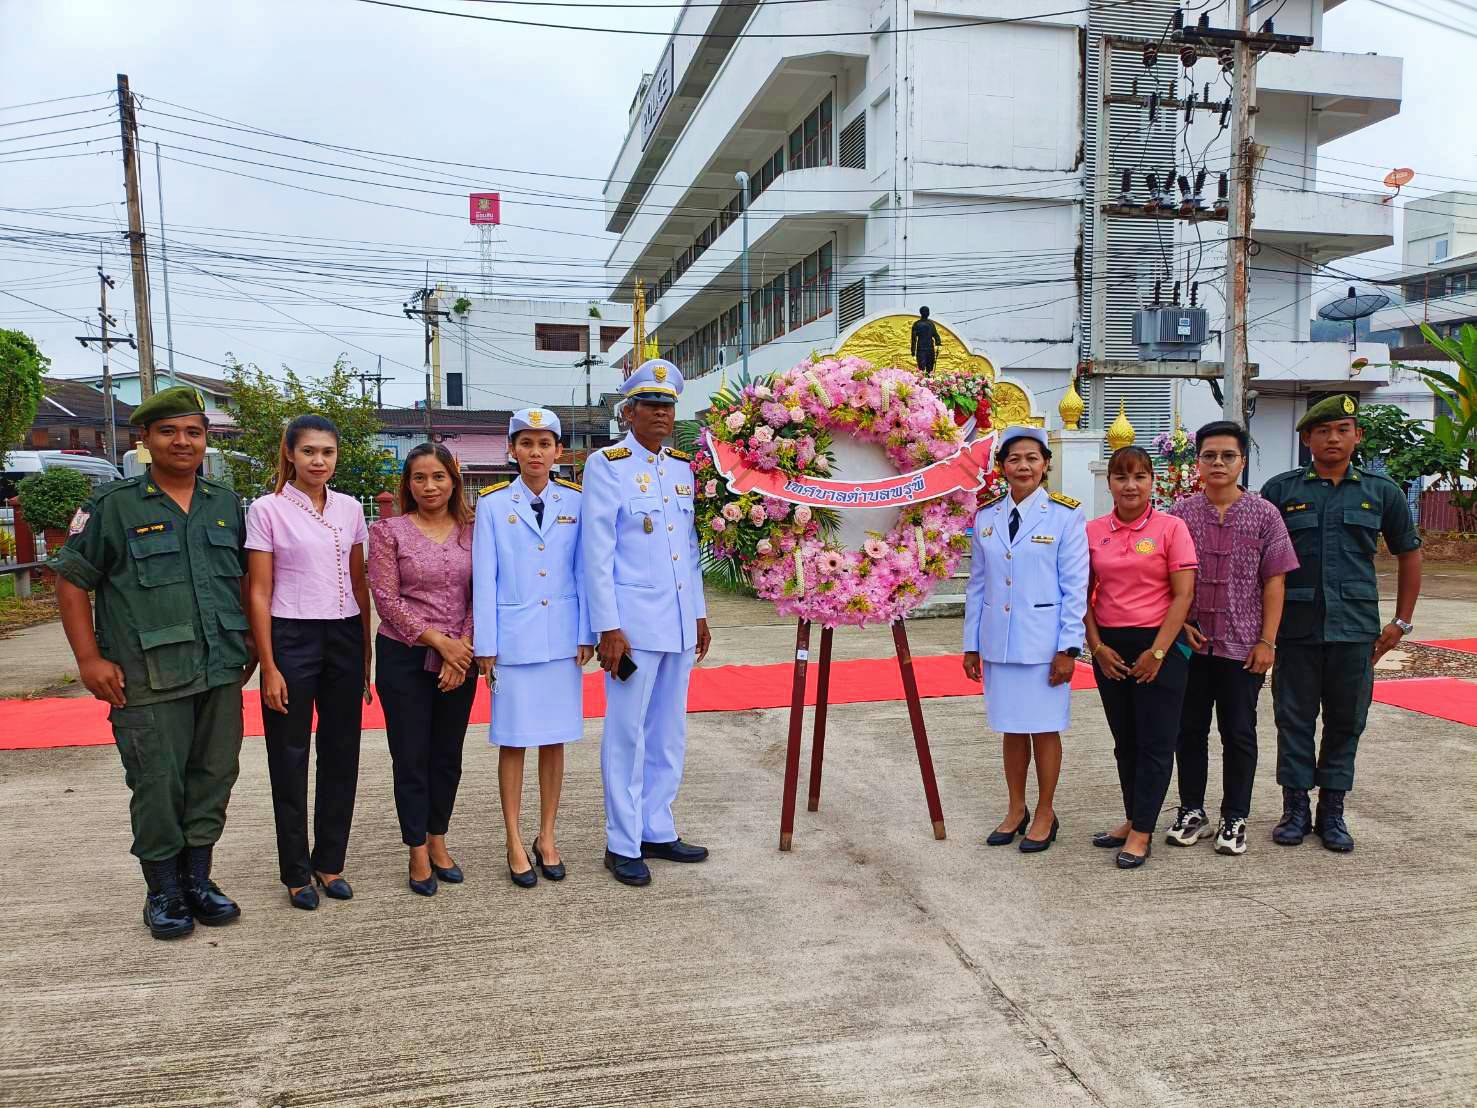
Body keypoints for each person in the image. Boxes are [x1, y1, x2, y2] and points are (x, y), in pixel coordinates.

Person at [53, 386, 254, 940]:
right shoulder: (114, 506)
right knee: (157, 783)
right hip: (146, 675)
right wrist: (89, 659)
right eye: (168, 431)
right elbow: (71, 580)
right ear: (145, 440)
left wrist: (251, 646)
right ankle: (163, 891)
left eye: (192, 431)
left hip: (219, 668)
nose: (182, 441)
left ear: (206, 440)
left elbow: (240, 580)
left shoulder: (222, 503)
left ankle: (198, 882)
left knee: (214, 777)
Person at [1259, 394, 1422, 852]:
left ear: (1358, 436)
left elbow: (1409, 553)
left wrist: (1401, 621)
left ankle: (1332, 811)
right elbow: (1260, 563)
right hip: (1296, 629)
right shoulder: (1281, 491)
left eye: (1343, 429)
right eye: (1323, 430)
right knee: (1293, 720)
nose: (1333, 438)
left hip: (1356, 631)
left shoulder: (1380, 491)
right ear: (1306, 437)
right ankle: (1294, 810)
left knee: (1346, 722)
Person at [582, 359, 712, 887]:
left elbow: (688, 545)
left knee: (668, 732)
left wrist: (699, 612)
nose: (661, 414)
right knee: (627, 734)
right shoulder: (607, 465)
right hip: (633, 628)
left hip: (679, 623)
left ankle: (658, 826)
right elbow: (597, 552)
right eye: (651, 405)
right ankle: (622, 840)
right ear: (629, 412)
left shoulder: (682, 467)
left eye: (668, 406)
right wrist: (607, 627)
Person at [245, 414, 372, 910]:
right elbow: (258, 591)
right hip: (291, 634)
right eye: (309, 452)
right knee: (290, 755)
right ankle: (296, 871)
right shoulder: (267, 510)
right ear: (290, 455)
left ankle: (330, 862)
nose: (318, 461)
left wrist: (366, 653)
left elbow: (358, 583)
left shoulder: (350, 508)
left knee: (342, 753)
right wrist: (269, 665)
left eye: (327, 452)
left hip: (344, 634)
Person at [472, 408, 594, 888]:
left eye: (545, 443)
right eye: (526, 443)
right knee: (513, 740)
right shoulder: (493, 504)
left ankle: (547, 835)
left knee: (554, 737)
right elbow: (485, 577)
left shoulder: (577, 501)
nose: (536, 452)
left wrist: (587, 631)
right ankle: (513, 838)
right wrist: (487, 644)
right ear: (512, 450)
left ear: (559, 451)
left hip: (562, 637)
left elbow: (585, 571)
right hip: (515, 640)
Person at [1166, 421, 1299, 856]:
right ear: (1198, 461)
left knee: (1238, 732)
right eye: (1209, 455)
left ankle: (1235, 816)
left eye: (1227, 456)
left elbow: (1274, 582)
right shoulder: (1180, 514)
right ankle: (1191, 810)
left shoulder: (1265, 514)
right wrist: (1178, 625)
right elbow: (1166, 580)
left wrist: (1268, 641)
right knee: (1189, 730)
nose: (1218, 463)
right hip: (1190, 644)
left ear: (1242, 461)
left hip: (1244, 646)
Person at [962, 427, 1088, 854]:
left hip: (1044, 646)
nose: (1024, 466)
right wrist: (971, 644)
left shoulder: (1065, 515)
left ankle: (1046, 812)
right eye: (1015, 459)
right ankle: (1016, 808)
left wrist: (1069, 649)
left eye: (1032, 458)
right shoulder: (985, 517)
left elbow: (1076, 588)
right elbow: (977, 586)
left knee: (1044, 729)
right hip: (999, 643)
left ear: (1046, 464)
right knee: (1011, 729)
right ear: (1002, 467)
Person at [368, 444, 477, 897]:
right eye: (419, 478)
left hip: (462, 655)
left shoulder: (473, 531)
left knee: (446, 756)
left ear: (453, 481)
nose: (429, 486)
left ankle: (438, 839)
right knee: (410, 756)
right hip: (406, 656)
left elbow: (484, 592)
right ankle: (415, 847)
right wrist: (440, 645)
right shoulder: (388, 531)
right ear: (407, 484)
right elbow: (386, 601)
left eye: (438, 477)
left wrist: (463, 649)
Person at [1084, 445, 1198, 869]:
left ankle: (1142, 831)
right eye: (1121, 477)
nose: (1130, 486)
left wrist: (1159, 651)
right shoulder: (1093, 531)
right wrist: (1096, 648)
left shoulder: (1171, 528)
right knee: (1125, 740)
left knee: (1155, 741)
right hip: (1110, 646)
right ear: (1110, 482)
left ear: (1153, 481)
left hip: (1161, 644)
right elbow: (1083, 595)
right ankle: (1133, 815)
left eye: (1139, 477)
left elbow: (1183, 594)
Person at [910, 306, 942, 372]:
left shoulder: (931, 324)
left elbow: (935, 334)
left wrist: (938, 342)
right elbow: (913, 339)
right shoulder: (917, 324)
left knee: (930, 368)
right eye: (926, 311)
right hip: (921, 349)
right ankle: (922, 381)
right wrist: (913, 351)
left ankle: (929, 382)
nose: (927, 313)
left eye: (928, 311)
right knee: (921, 368)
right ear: (922, 313)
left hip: (930, 348)